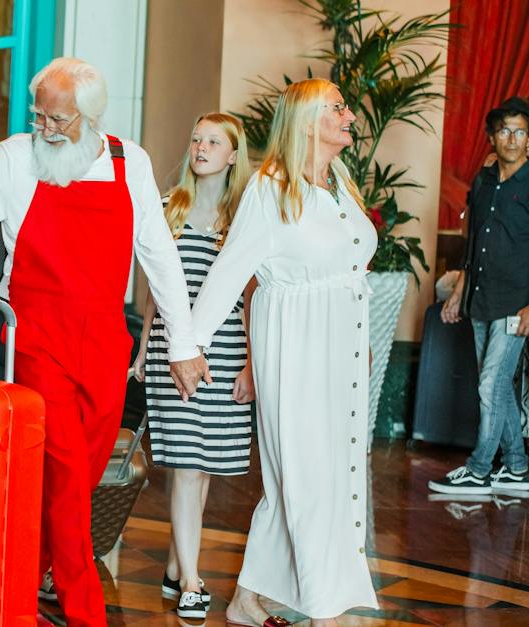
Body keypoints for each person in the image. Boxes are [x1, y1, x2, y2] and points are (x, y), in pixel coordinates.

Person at [0, 57, 211, 627]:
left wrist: (183, 344)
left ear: (89, 116)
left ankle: (13, 583)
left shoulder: (130, 163)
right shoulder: (16, 157)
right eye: (40, 116)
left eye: (57, 119)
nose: (45, 128)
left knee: (74, 480)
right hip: (33, 338)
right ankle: (86, 611)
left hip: (105, 341)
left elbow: (159, 256)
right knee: (63, 478)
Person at [188, 78, 378, 626]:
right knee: (306, 473)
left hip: (339, 344)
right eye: (336, 108)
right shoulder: (270, 188)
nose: (348, 115)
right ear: (305, 121)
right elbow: (229, 273)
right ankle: (324, 611)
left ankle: (248, 599)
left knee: (322, 472)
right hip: (294, 340)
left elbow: (348, 270)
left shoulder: (339, 182)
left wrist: (358, 339)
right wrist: (190, 345)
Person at [127, 112, 256, 621]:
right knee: (184, 463)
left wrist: (250, 365)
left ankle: (179, 565)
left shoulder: (244, 219)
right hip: (172, 351)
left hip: (226, 352)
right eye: (196, 138)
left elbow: (249, 299)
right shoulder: (166, 209)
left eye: (214, 141)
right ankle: (194, 582)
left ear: (232, 155)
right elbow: (156, 295)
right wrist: (142, 354)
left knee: (203, 468)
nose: (201, 147)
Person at [430, 96, 529, 495]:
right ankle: (518, 468)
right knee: (497, 385)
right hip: (480, 299)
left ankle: (479, 469)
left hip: (515, 302)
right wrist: (458, 292)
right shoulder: (484, 181)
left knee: (490, 383)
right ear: (492, 136)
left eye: (520, 131)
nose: (512, 138)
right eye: (504, 130)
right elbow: (473, 245)